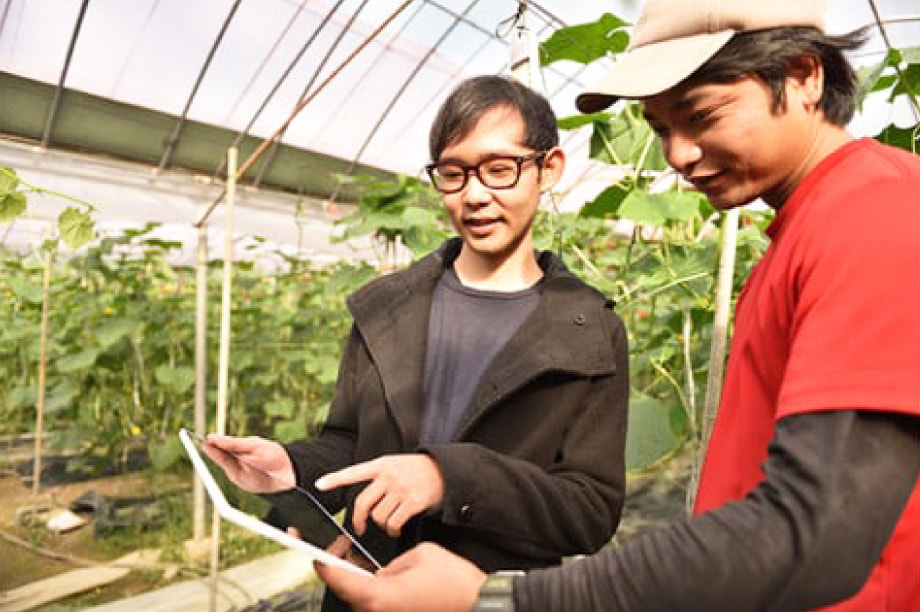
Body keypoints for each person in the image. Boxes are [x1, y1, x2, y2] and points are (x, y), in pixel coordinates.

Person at [315, 0, 920, 610]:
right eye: (659, 128)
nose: (678, 155)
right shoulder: (807, 232)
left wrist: (499, 599)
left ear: (804, 76)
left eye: (701, 114)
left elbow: (819, 532)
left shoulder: (875, 215)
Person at [204, 75, 630, 610]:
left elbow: (589, 510)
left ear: (549, 170)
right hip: (365, 586)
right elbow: (346, 441)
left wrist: (446, 478)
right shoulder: (384, 306)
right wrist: (294, 466)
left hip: (487, 597)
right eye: (453, 174)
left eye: (500, 170)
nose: (475, 195)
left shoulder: (589, 328)